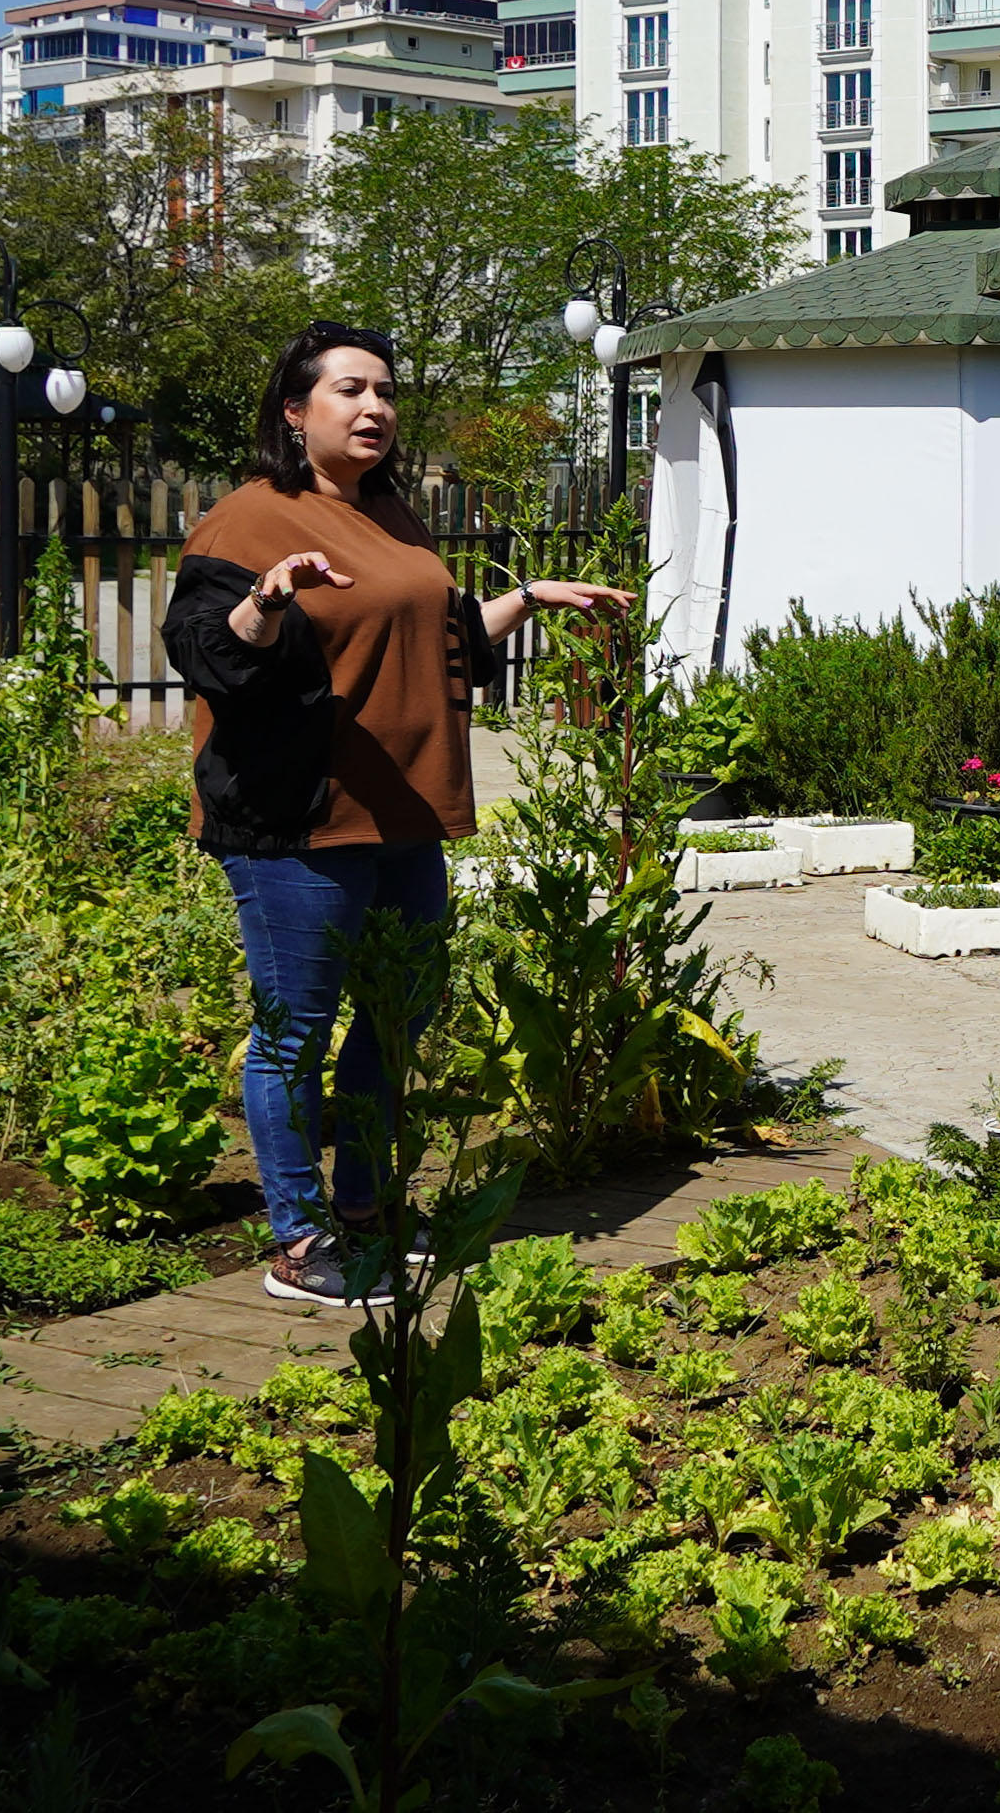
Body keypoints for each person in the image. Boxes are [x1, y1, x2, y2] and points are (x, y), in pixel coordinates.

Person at [165, 323, 629, 1306]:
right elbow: (205, 647)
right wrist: (265, 603)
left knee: (397, 1015)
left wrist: (531, 599)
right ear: (295, 410)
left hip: (407, 813)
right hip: (300, 818)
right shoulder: (249, 520)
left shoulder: (388, 511)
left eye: (384, 390)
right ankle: (296, 1237)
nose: (374, 406)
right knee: (296, 1027)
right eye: (348, 389)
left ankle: (368, 1207)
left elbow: (438, 626)